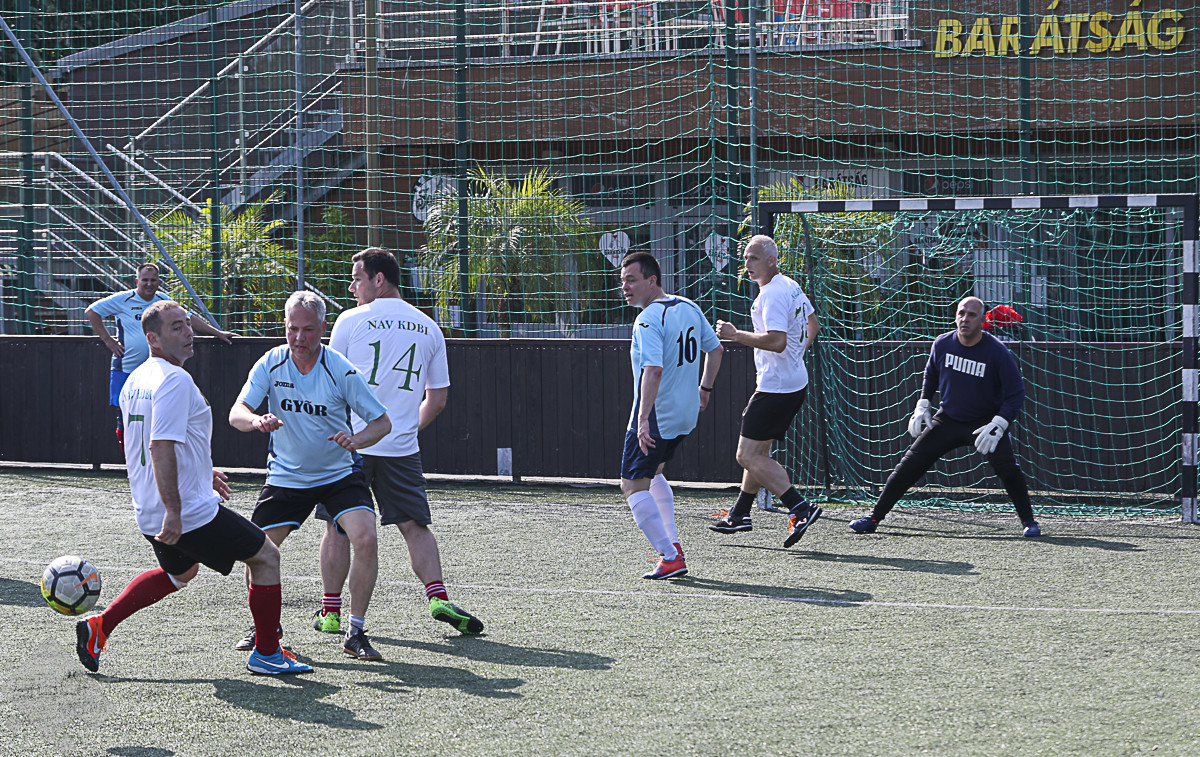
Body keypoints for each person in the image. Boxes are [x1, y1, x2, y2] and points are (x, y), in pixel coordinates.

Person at [75, 300, 311, 676]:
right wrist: (174, 509)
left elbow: (140, 442)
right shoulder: (175, 380)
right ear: (152, 339)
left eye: (187, 324)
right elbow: (159, 446)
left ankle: (99, 627)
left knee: (180, 574)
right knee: (266, 556)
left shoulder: (136, 379)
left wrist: (200, 471)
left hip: (150, 510)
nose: (188, 333)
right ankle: (267, 653)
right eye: (176, 327)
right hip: (184, 512)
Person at [322, 248, 484, 636]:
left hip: (352, 446)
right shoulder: (429, 326)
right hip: (402, 448)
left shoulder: (350, 320)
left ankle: (330, 613)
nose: (351, 287)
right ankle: (438, 596)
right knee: (415, 526)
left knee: (338, 528)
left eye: (357, 279)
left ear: (379, 280)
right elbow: (438, 398)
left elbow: (329, 384)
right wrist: (406, 429)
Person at [229, 291, 393, 660]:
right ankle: (264, 629)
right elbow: (236, 412)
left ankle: (356, 632)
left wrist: (356, 440)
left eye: (308, 330)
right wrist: (256, 421)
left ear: (323, 328)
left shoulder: (340, 369)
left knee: (366, 538)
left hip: (339, 474)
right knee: (256, 549)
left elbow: (382, 422)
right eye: (292, 329)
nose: (299, 338)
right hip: (286, 476)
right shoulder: (271, 363)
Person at [848, 296, 1041, 537]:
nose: (965, 319)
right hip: (948, 419)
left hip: (985, 423)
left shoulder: (997, 351)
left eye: (972, 315)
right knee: (908, 466)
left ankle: (1029, 521)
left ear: (983, 320)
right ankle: (874, 518)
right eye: (961, 313)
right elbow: (931, 374)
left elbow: (1016, 393)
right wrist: (923, 404)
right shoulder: (942, 343)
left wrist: (1000, 423)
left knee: (1008, 469)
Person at [711, 234, 823, 548]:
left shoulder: (772, 293)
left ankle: (800, 507)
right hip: (793, 383)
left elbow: (776, 341)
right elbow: (813, 325)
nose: (747, 263)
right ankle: (740, 514)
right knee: (758, 454)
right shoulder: (790, 284)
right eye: (746, 257)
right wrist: (796, 357)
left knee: (746, 455)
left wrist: (736, 334)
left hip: (776, 388)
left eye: (754, 258)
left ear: (772, 261)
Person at [618, 251, 723, 579]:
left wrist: (642, 420)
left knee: (632, 486)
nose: (625, 287)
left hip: (658, 417)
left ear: (652, 280)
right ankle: (672, 545)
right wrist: (705, 390)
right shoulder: (689, 306)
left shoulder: (648, 318)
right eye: (623, 281)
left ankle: (670, 555)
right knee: (655, 473)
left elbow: (653, 370)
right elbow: (716, 349)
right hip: (685, 414)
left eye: (632, 280)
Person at [86, 263, 235, 447]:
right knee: (125, 417)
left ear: (159, 281)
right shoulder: (123, 299)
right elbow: (92, 312)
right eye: (145, 280)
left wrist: (218, 333)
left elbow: (188, 318)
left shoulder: (163, 301)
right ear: (137, 281)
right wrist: (108, 340)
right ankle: (130, 458)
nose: (149, 284)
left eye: (153, 280)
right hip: (127, 368)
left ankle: (154, 456)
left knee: (157, 415)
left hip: (158, 371)